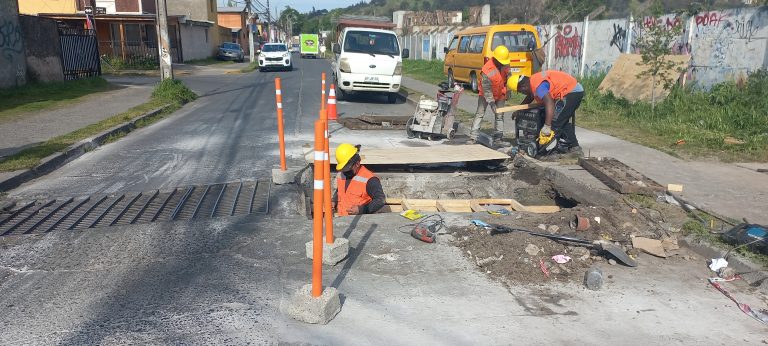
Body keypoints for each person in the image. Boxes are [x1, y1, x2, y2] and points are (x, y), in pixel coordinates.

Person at [507, 70, 584, 155]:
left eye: (521, 92)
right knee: (561, 120)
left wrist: (547, 126)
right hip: (572, 89)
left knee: (554, 122)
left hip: (571, 91)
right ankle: (575, 148)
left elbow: (549, 103)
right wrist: (519, 110)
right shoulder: (532, 81)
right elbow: (530, 96)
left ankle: (550, 153)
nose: (523, 93)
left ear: (523, 87)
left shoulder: (538, 87)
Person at [467, 45, 512, 145]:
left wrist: (509, 90)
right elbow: (486, 89)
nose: (503, 64)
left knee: (499, 115)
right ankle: (473, 137)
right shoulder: (487, 70)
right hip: (485, 94)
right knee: (480, 113)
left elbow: (509, 77)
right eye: (501, 62)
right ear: (496, 59)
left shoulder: (505, 64)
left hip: (500, 93)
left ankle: (498, 139)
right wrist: (492, 103)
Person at [332, 143, 386, 216]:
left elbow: (380, 200)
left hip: (361, 221)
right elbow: (340, 191)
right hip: (342, 219)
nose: (345, 171)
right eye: (343, 168)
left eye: (347, 168)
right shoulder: (342, 174)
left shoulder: (370, 179)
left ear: (357, 164)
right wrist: (334, 201)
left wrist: (361, 209)